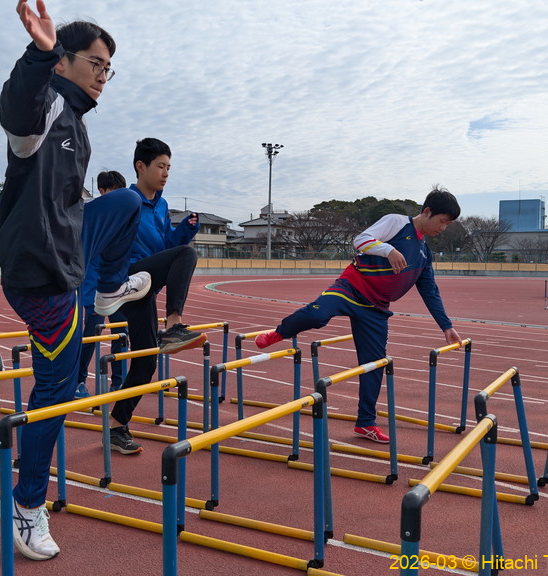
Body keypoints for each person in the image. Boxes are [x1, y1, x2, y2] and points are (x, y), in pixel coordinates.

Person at [0, 1, 151, 561]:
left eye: (109, 68)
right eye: (95, 63)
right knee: (56, 391)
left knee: (126, 202)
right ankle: (25, 503)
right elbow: (18, 111)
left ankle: (108, 291)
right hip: (39, 272)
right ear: (65, 61)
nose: (103, 75)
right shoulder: (48, 106)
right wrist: (38, 53)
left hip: (64, 260)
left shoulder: (77, 124)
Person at [255, 186, 463, 444]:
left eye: (448, 225)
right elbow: (361, 240)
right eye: (443, 221)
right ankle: (279, 333)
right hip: (350, 288)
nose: (443, 228)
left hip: (376, 308)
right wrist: (388, 250)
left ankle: (365, 423)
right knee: (317, 315)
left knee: (374, 365)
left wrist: (446, 326)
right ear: (427, 212)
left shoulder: (424, 253)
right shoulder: (396, 222)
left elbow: (430, 291)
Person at [103, 137, 206, 455]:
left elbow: (165, 246)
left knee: (146, 362)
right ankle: (173, 326)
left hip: (146, 287)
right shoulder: (125, 201)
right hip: (128, 279)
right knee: (186, 255)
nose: (165, 173)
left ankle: (116, 426)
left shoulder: (161, 205)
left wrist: (185, 231)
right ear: (140, 166)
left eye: (169, 167)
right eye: (160, 166)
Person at [75, 170, 130, 399]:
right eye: (114, 192)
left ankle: (119, 382)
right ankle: (78, 381)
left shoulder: (124, 217)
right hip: (94, 288)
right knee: (90, 336)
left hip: (117, 286)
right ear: (102, 191)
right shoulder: (90, 214)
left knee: (121, 334)